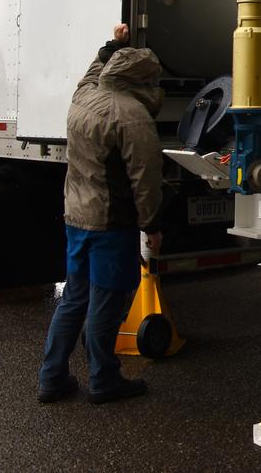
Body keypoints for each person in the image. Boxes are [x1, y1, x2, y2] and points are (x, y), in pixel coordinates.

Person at [38, 23, 165, 404]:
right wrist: (152, 224)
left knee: (74, 299)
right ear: (143, 80)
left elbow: (93, 73)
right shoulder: (131, 115)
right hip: (110, 224)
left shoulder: (84, 95)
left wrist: (111, 46)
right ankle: (104, 379)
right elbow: (145, 178)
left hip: (76, 216)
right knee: (106, 305)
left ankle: (52, 378)